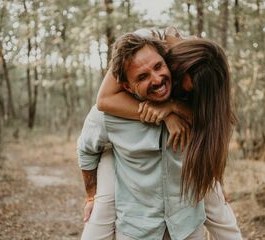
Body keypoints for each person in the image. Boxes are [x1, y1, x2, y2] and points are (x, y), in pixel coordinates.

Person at [78, 30, 242, 240]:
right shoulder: (151, 44)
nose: (161, 81)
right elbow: (103, 103)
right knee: (102, 207)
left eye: (187, 92)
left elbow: (214, 126)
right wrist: (90, 196)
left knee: (222, 216)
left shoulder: (204, 67)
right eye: (143, 76)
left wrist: (174, 106)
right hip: (134, 216)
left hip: (186, 210)